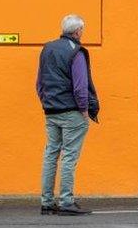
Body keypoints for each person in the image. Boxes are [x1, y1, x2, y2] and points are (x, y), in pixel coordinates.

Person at [36, 15, 100, 216]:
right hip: (72, 112)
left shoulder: (47, 49)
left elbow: (39, 83)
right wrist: (83, 109)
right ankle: (66, 201)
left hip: (51, 110)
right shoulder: (77, 52)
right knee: (69, 157)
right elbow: (80, 86)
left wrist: (46, 102)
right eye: (83, 30)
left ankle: (47, 202)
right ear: (78, 31)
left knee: (51, 155)